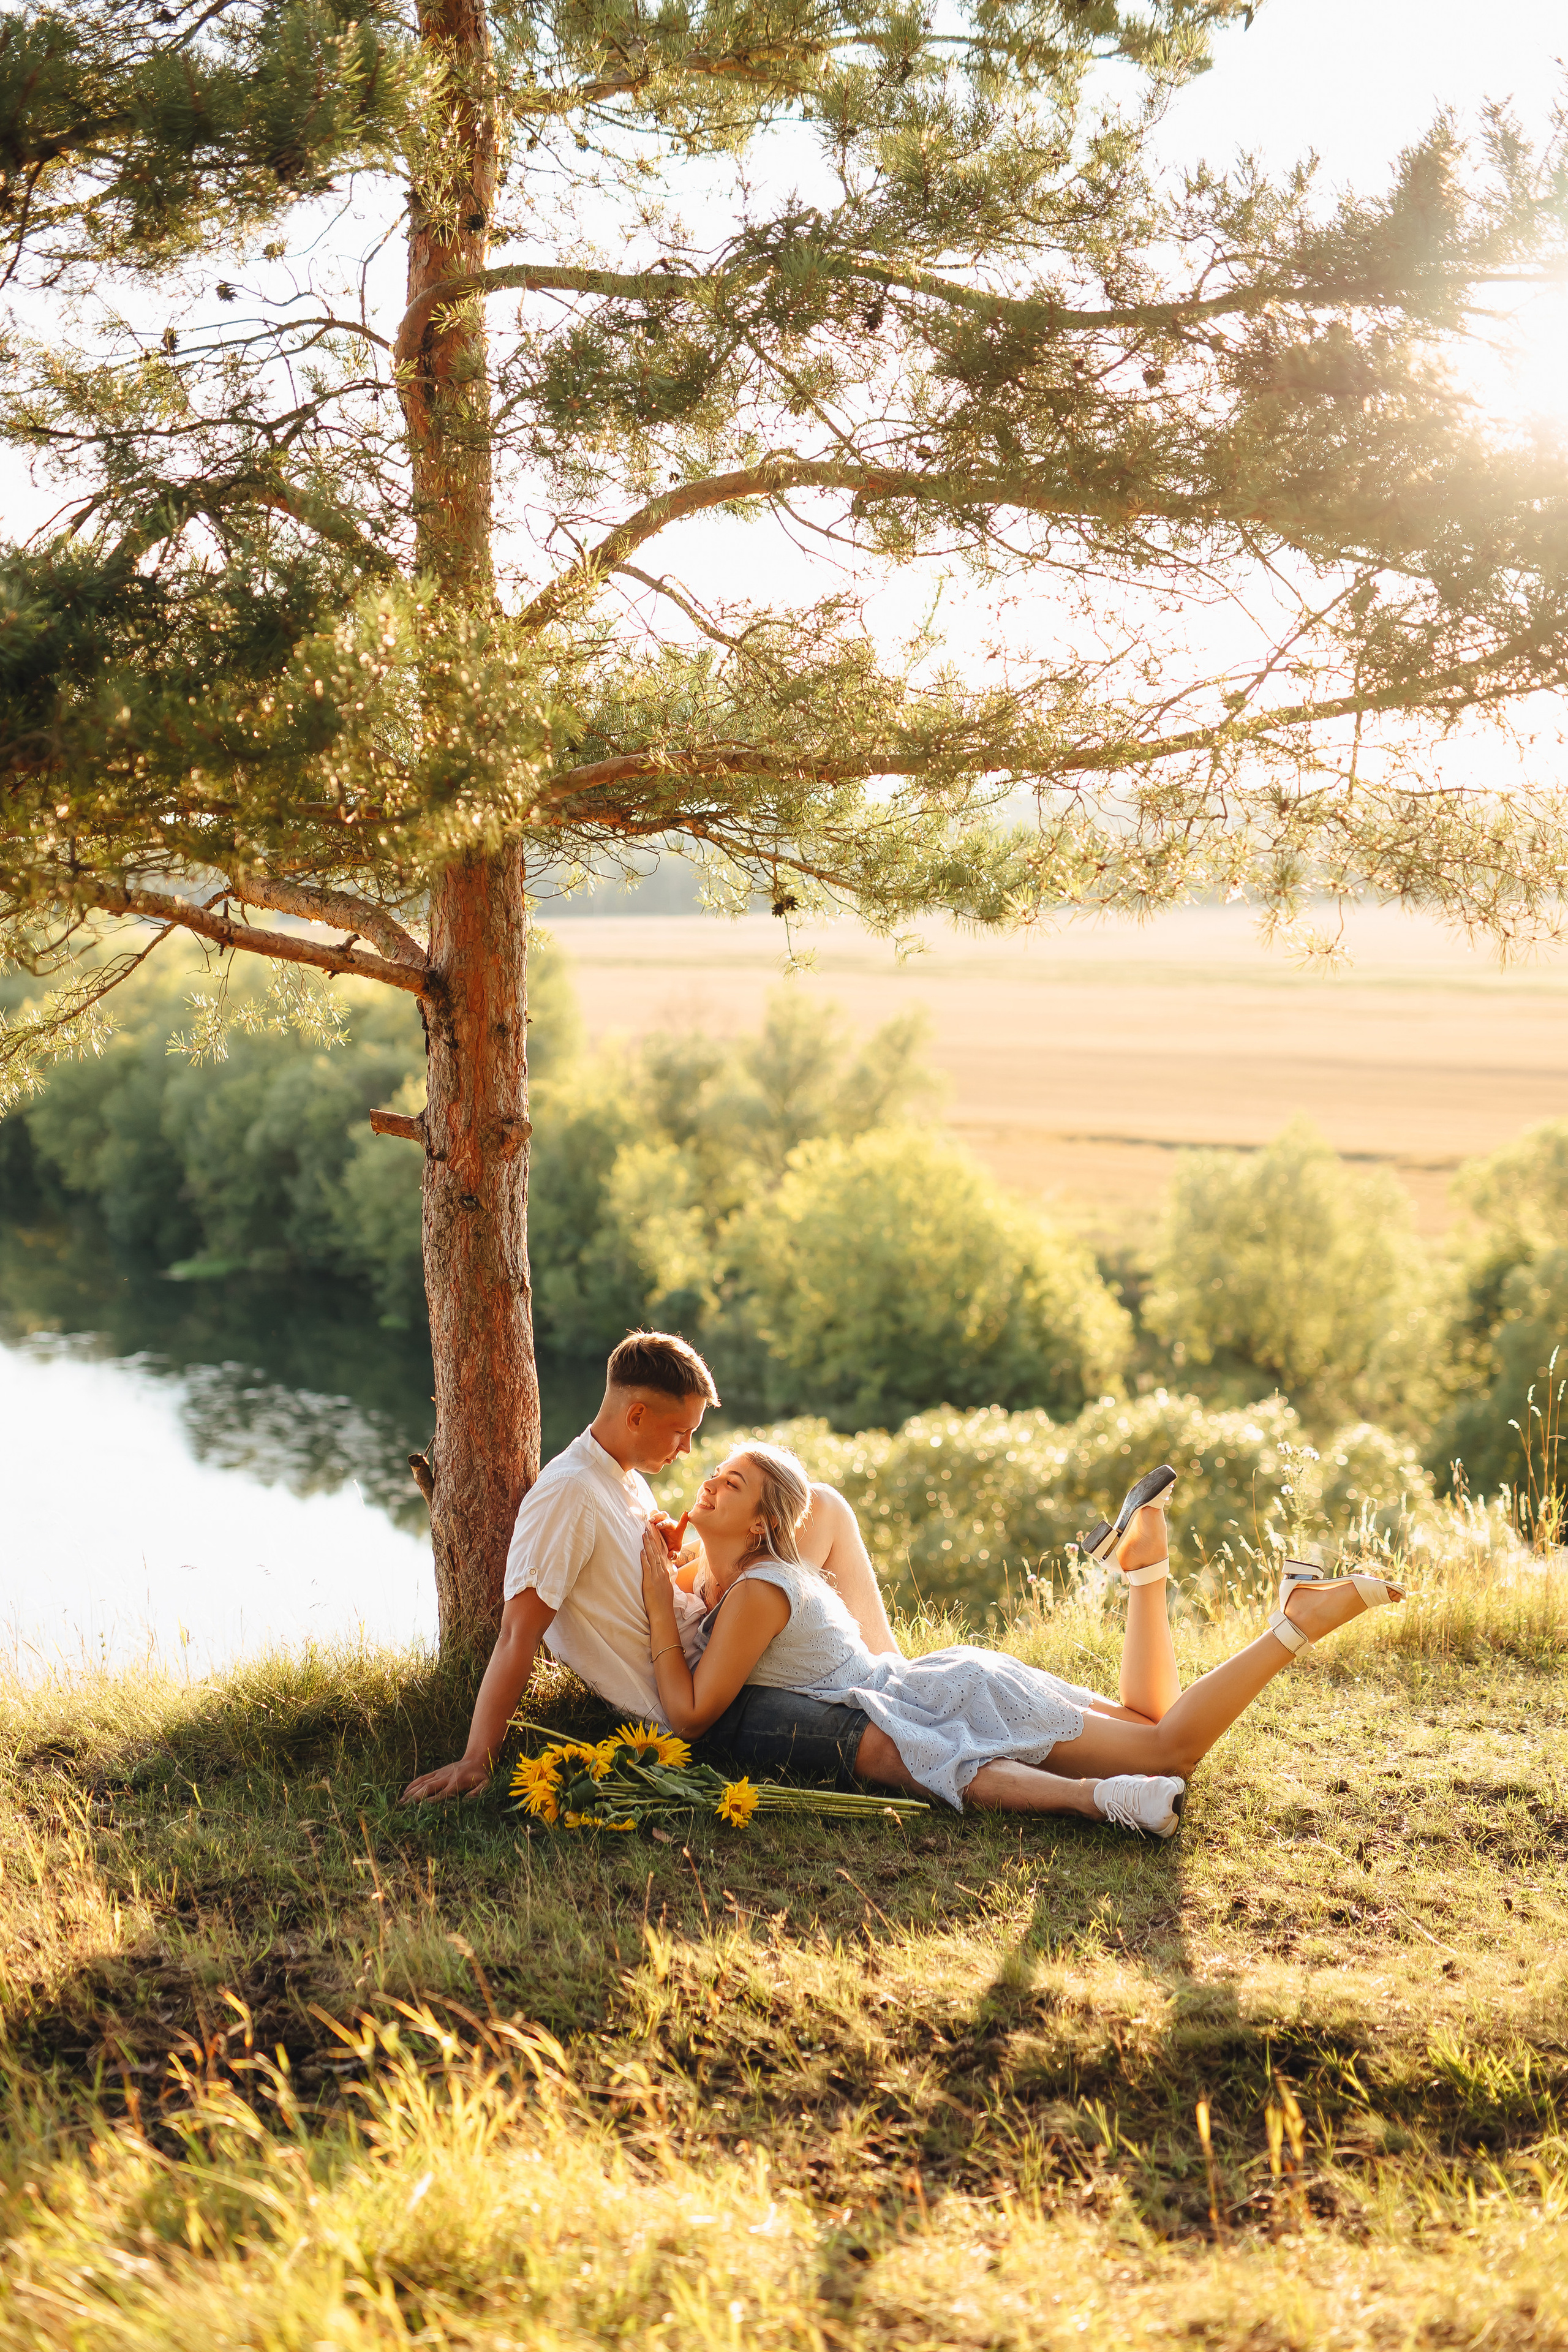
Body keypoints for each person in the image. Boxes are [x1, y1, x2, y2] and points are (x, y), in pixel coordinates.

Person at [638, 1442, 1406, 1836]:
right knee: (1146, 1725)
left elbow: (692, 1714)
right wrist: (679, 1562)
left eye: (729, 1483)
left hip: (953, 1697)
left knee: (1168, 1750)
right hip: (947, 1681)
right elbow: (734, 1562)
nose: (707, 1483)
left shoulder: (757, 1591)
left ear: (766, 1523)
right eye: (712, 1472)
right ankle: (1145, 1568)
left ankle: (1292, 1623)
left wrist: (654, 1585)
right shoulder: (730, 1573)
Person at [400, 1330, 902, 1804]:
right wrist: (476, 1758)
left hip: (709, 1644)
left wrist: (678, 1558)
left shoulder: (627, 1478)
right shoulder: (569, 1494)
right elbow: (517, 1634)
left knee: (823, 1505)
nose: (687, 1450)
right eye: (681, 1432)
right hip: (689, 1695)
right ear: (636, 1415)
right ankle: (895, 1691)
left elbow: (635, 1580)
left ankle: (894, 1676)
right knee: (884, 1734)